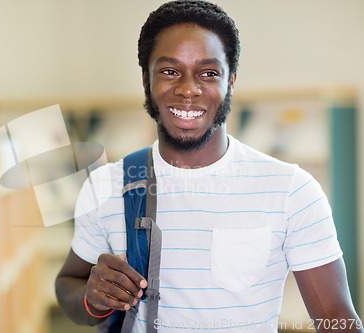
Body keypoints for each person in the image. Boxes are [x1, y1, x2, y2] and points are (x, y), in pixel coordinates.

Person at [55, 1, 363, 332]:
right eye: (170, 71)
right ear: (146, 80)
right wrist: (93, 297)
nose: (188, 89)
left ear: (231, 81)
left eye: (209, 73)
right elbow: (69, 284)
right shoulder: (106, 186)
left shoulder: (292, 190)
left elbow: (338, 320)